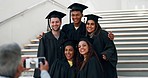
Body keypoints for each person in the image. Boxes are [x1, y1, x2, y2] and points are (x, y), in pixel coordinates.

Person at [34, 10, 67, 78]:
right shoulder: (44, 38)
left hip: (63, 72)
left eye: (57, 22)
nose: (55, 24)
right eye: (53, 22)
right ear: (50, 23)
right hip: (49, 72)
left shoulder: (65, 37)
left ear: (61, 22)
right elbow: (41, 56)